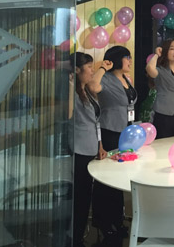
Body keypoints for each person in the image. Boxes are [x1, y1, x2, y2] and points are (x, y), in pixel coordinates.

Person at [88, 46, 137, 246]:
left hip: (125, 132)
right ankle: (103, 221)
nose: (130, 61)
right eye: (127, 57)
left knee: (119, 178)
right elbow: (93, 87)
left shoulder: (126, 78)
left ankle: (117, 219)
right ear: (117, 59)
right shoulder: (106, 78)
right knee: (106, 179)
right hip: (110, 131)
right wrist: (102, 68)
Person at [70, 52, 107, 247]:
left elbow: (96, 122)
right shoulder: (72, 92)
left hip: (92, 146)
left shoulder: (89, 91)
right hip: (79, 149)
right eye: (89, 67)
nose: (92, 71)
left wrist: (100, 145)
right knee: (80, 196)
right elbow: (68, 114)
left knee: (86, 195)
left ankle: (80, 234)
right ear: (77, 70)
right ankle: (76, 238)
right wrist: (70, 84)